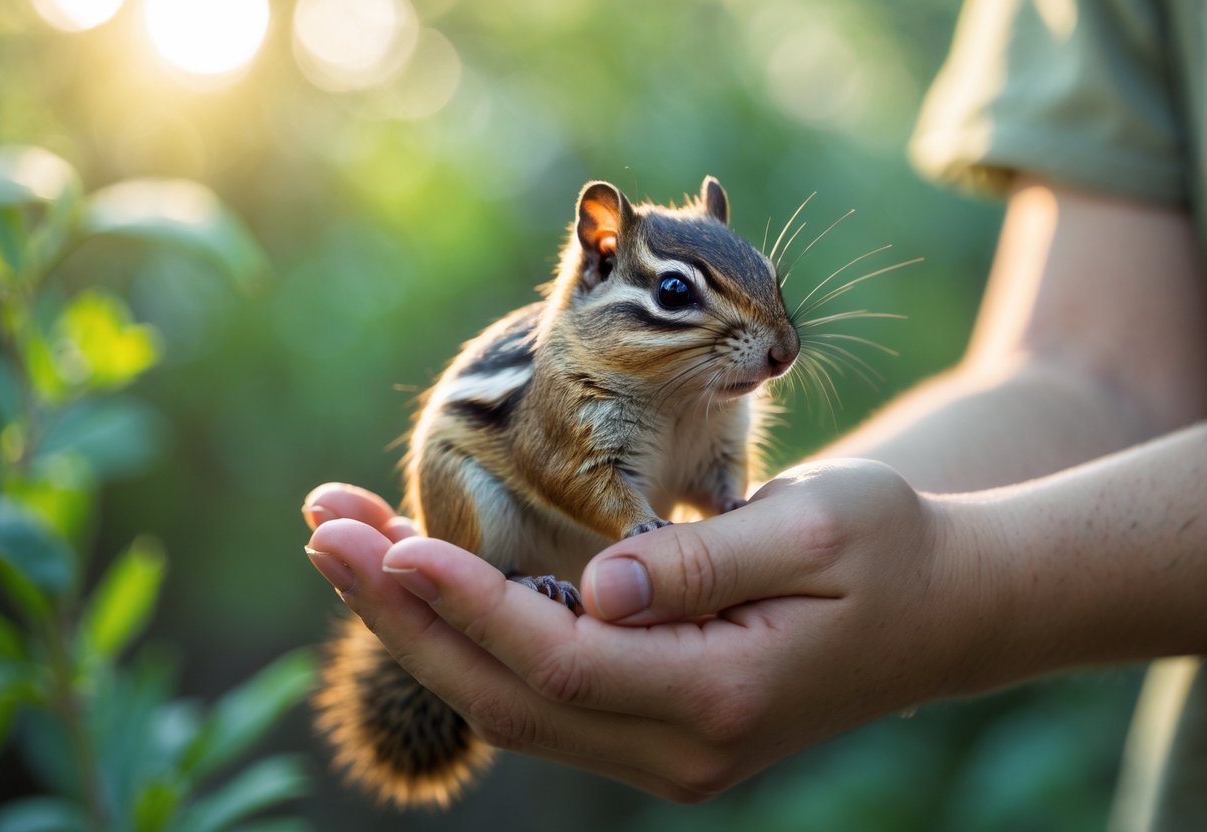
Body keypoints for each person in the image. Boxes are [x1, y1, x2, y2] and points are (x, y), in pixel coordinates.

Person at [303, 2, 1207, 827]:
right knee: (461, 456)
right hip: (502, 495)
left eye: (767, 306)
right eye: (675, 295)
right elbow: (1097, 372)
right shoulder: (573, 383)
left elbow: (708, 484)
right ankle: (489, 581)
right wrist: (764, 554)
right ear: (598, 256)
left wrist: (918, 577)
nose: (773, 350)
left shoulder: (705, 375)